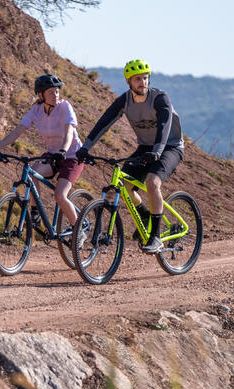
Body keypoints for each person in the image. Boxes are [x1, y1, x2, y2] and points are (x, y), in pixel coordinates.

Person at [76, 59, 184, 254]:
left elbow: (164, 126)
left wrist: (158, 151)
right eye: (137, 79)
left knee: (152, 183)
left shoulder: (160, 98)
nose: (142, 82)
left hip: (169, 146)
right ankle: (144, 215)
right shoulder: (124, 101)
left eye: (145, 78)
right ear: (129, 82)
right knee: (124, 184)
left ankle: (156, 236)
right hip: (145, 147)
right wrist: (86, 148)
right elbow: (104, 123)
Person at [0, 74, 86, 237]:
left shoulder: (65, 107)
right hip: (53, 155)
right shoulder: (36, 110)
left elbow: (69, 131)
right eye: (51, 93)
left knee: (60, 196)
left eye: (57, 92)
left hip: (72, 155)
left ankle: (79, 231)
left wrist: (63, 150)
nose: (55, 95)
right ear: (41, 96)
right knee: (32, 173)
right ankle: (35, 213)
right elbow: (18, 131)